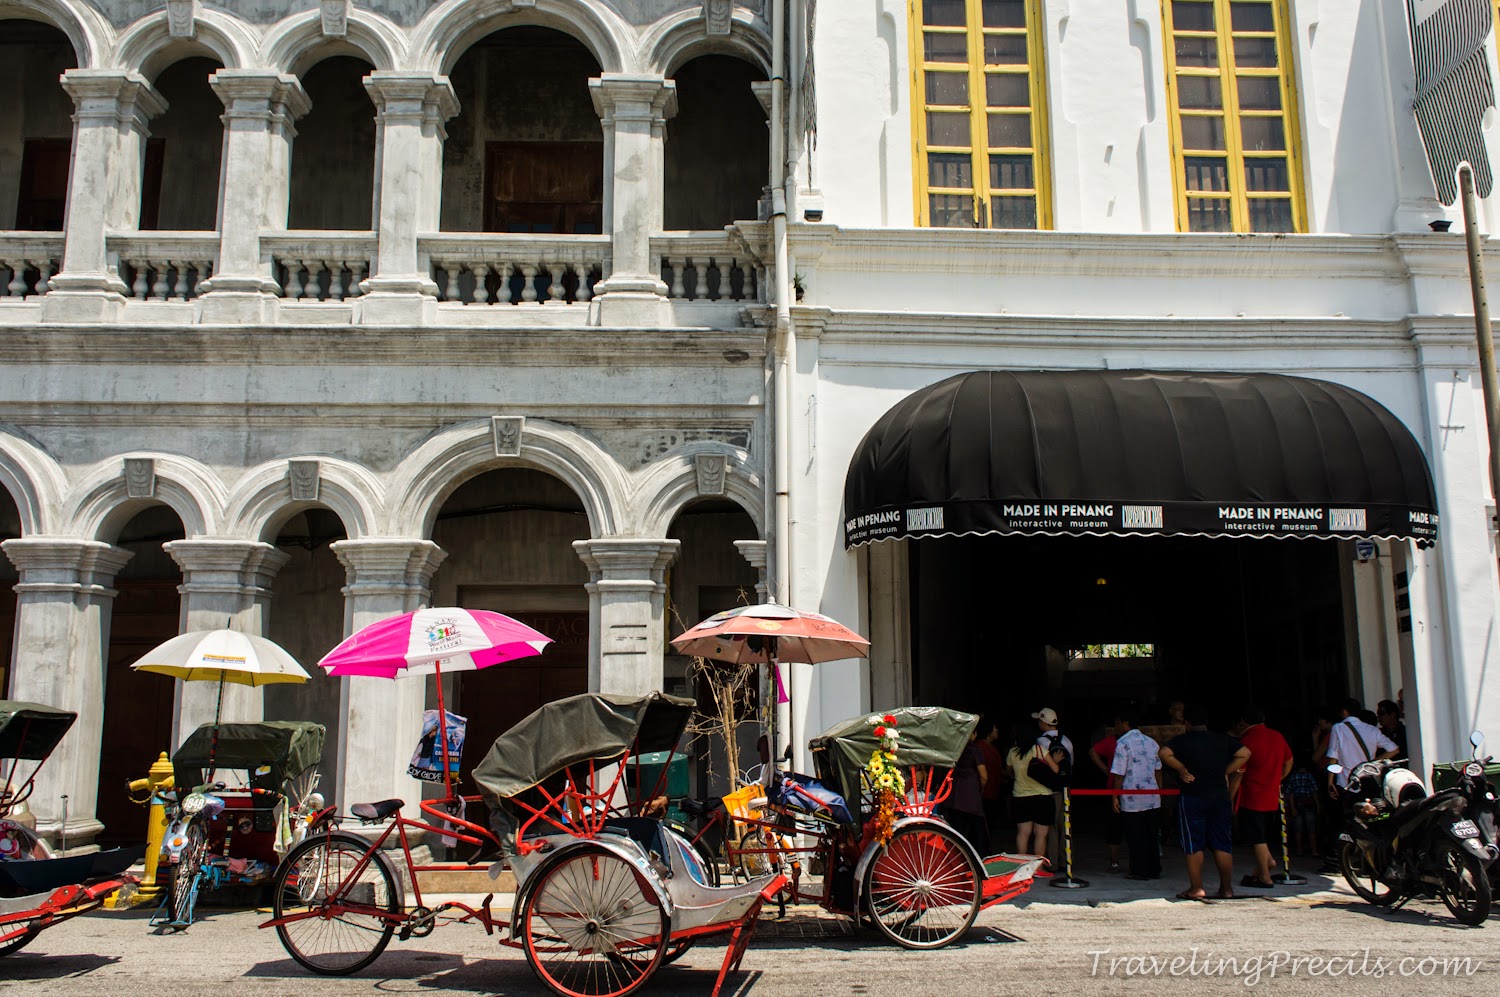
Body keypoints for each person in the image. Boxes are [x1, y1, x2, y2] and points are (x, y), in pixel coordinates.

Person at [1160, 704, 1250, 901]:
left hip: (1193, 796)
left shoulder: (1182, 741)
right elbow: (1245, 753)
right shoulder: (1222, 739)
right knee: (1222, 843)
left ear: (1187, 723)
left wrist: (1182, 769)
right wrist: (1225, 771)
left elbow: (1164, 753)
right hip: (1219, 795)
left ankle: (1197, 888)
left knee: (1194, 844)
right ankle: (1226, 889)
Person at [1234, 705, 1293, 889]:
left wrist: (1230, 796)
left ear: (1244, 722)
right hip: (1271, 792)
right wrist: (1277, 779)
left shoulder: (1246, 740)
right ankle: (1267, 862)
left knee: (1256, 836)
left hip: (1252, 793)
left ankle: (1265, 876)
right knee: (1262, 832)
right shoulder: (1277, 736)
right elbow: (1289, 761)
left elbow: (1239, 771)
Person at [1108, 711, 1162, 880]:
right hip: (1152, 796)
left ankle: (1139, 870)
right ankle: (1154, 868)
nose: (1116, 727)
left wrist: (1115, 796)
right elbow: (1158, 770)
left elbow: (1119, 773)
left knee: (1135, 834)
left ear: (1125, 724)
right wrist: (1159, 791)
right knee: (1151, 834)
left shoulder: (1123, 743)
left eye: (1117, 723)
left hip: (1132, 797)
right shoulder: (1152, 743)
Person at [1325, 698, 1398, 800]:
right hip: (1368, 781)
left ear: (1344, 711)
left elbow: (1333, 756)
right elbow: (1394, 749)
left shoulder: (1338, 728)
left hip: (1346, 783)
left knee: (1349, 813)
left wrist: (1330, 782)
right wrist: (1373, 763)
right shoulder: (1373, 730)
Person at [1008, 718, 1059, 857]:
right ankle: (1039, 868)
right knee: (1041, 835)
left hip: (1020, 796)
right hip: (1042, 797)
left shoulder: (1013, 752)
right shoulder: (1039, 750)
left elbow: (1009, 771)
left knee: (1023, 834)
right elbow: (1055, 770)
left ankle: (1022, 867)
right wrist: (1056, 761)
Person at [946, 725, 989, 855]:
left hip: (953, 795)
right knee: (977, 831)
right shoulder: (975, 750)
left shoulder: (954, 750)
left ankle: (956, 858)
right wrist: (981, 788)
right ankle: (978, 859)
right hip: (970, 796)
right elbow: (983, 775)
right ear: (973, 735)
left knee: (957, 831)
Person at [1089, 717, 1123, 873]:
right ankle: (1116, 861)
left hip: (1121, 790)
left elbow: (1093, 752)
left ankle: (1115, 862)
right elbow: (1093, 751)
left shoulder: (1115, 742)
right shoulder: (1112, 741)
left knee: (1116, 827)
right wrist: (1106, 770)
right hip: (1131, 791)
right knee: (1118, 827)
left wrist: (1106, 771)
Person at [975, 716, 1007, 842]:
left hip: (992, 791)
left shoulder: (992, 748)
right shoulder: (980, 747)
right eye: (995, 728)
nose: (997, 730)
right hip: (983, 793)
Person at [1283, 760, 1320, 856]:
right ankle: (1314, 851)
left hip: (1297, 804)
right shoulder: (1309, 776)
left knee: (1298, 829)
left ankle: (1299, 850)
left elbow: (1289, 794)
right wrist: (1318, 805)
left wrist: (1292, 808)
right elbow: (1314, 791)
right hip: (1308, 804)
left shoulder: (1293, 777)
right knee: (1311, 829)